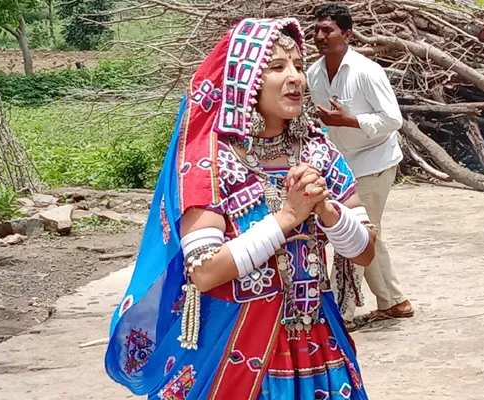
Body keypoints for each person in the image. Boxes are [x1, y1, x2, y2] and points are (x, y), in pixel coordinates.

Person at [104, 17, 377, 400]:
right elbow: (205, 271)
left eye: (299, 65)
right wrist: (289, 216)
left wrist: (327, 211)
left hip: (317, 336)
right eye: (278, 67)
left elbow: (365, 251)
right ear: (244, 79)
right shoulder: (211, 162)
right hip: (238, 341)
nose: (296, 77)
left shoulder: (320, 151)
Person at [307, 3, 414, 331]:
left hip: (374, 162)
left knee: (352, 232)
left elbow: (393, 119)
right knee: (369, 234)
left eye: (329, 30)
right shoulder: (314, 74)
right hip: (343, 166)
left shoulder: (366, 71)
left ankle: (344, 314)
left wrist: (349, 120)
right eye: (318, 30)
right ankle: (395, 302)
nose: (321, 36)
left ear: (347, 34)